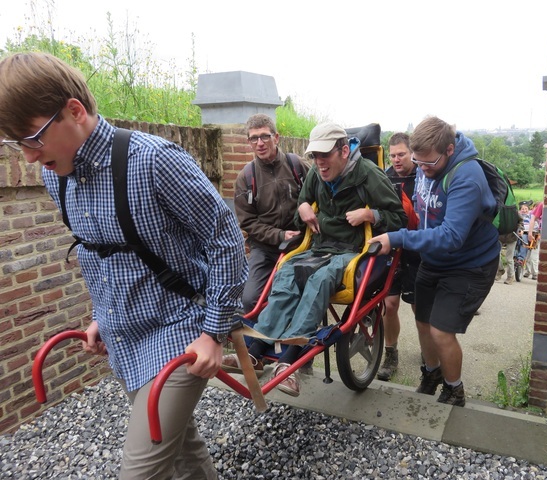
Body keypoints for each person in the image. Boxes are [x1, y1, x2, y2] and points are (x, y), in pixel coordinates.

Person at [0, 52, 248, 479]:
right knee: (184, 451)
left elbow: (225, 239)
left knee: (140, 471)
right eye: (16, 145)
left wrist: (213, 332)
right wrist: (102, 316)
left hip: (181, 330)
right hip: (125, 338)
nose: (27, 158)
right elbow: (98, 255)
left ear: (74, 111)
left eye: (32, 139)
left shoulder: (154, 161)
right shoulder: (56, 175)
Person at [222, 122, 407, 396]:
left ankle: (289, 364)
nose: (319, 163)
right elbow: (301, 211)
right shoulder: (316, 176)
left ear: (344, 151)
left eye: (325, 155)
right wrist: (304, 207)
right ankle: (256, 351)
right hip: (318, 247)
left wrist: (371, 215)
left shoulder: (369, 175)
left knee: (319, 281)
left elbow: (399, 219)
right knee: (286, 275)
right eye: (315, 156)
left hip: (352, 250)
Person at [370, 116, 500, 407]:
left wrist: (398, 238)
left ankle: (454, 390)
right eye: (419, 163)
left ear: (450, 150)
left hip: (469, 262)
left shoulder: (467, 177)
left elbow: (452, 236)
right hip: (434, 259)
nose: (423, 170)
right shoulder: (424, 167)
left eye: (430, 163)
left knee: (441, 331)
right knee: (423, 322)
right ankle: (431, 374)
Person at [234, 114, 310, 314]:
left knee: (299, 293)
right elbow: (248, 222)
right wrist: (279, 235)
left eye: (264, 136)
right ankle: (260, 342)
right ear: (249, 142)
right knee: (249, 301)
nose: (260, 143)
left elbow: (320, 192)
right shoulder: (246, 177)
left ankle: (296, 339)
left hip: (300, 243)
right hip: (265, 248)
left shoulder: (297, 165)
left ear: (276, 137)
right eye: (254, 138)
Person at [378, 132, 420, 381]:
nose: (396, 159)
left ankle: (429, 350)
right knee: (390, 305)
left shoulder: (425, 176)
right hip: (391, 250)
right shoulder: (382, 179)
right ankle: (390, 353)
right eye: (392, 155)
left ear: (412, 152)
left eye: (401, 154)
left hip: (417, 250)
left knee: (419, 306)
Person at [525, 201, 544, 280]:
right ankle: (534, 272)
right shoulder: (542, 205)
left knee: (533, 254)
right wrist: (530, 233)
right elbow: (533, 218)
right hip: (538, 234)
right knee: (533, 254)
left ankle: (532, 271)